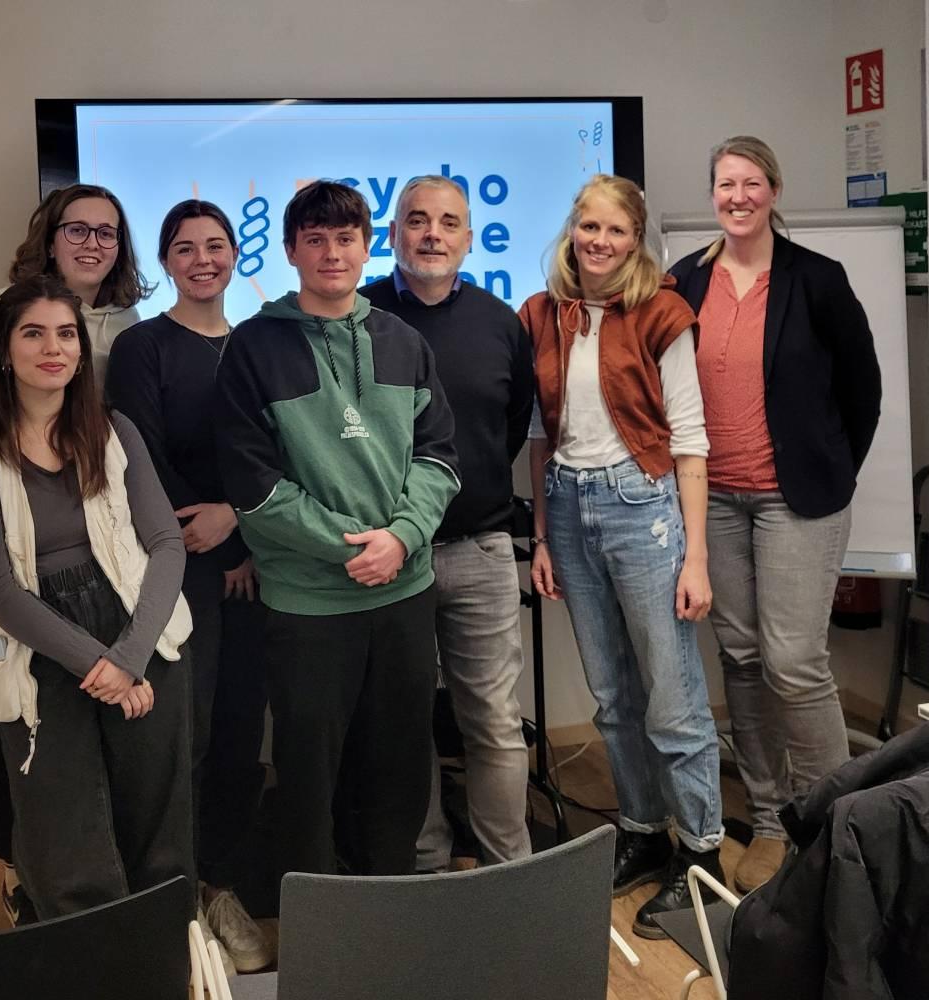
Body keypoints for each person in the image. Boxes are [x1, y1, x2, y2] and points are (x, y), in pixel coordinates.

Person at [215, 180, 460, 883]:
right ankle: (319, 934)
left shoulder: (402, 341)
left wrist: (401, 540)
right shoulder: (253, 349)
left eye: (345, 238)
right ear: (290, 250)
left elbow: (440, 454)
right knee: (307, 782)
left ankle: (388, 915)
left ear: (366, 245)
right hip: (309, 606)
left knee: (399, 770)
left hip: (403, 595)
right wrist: (352, 549)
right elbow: (253, 487)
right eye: (315, 239)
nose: (331, 253)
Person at [669, 136, 881, 894]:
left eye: (750, 182)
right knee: (743, 659)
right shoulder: (683, 281)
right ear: (712, 194)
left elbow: (862, 390)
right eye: (724, 183)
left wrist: (828, 469)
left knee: (793, 662)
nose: (736, 196)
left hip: (798, 500)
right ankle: (767, 818)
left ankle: (839, 824)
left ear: (773, 189)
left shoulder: (816, 280)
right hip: (713, 499)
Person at [0, 275, 193, 921]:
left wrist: (131, 657)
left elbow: (166, 542)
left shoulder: (113, 431)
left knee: (156, 838)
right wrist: (98, 666)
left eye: (65, 334)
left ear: (82, 350)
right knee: (66, 846)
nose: (52, 348)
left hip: (139, 628)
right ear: (4, 350)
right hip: (43, 646)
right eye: (33, 333)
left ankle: (160, 970)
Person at [523, 174, 724, 938]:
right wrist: (542, 533)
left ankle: (700, 852)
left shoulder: (663, 313)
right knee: (612, 698)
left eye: (613, 231)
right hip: (569, 509)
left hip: (643, 510)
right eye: (586, 227)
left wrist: (695, 557)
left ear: (634, 241)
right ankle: (642, 831)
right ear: (570, 230)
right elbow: (540, 439)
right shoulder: (543, 314)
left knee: (670, 701)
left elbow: (690, 442)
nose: (597, 242)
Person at [105, 200, 272, 972]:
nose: (201, 258)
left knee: (242, 737)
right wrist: (206, 534)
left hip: (258, 562)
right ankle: (172, 900)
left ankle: (222, 884)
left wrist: (239, 525)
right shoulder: (143, 346)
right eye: (183, 247)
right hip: (176, 567)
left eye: (215, 245)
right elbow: (137, 457)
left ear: (237, 253)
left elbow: (277, 452)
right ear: (166, 262)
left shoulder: (261, 342)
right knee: (188, 737)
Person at [361, 176, 535, 871]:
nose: (431, 233)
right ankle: (427, 864)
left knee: (492, 724)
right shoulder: (357, 314)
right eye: (416, 220)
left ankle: (510, 871)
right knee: (402, 727)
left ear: (469, 238)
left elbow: (508, 429)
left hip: (480, 549)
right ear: (393, 232)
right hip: (387, 558)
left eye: (447, 222)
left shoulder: (501, 322)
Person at [0, 183, 151, 417]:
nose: (92, 244)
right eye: (77, 230)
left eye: (106, 233)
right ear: (50, 244)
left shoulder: (128, 320)